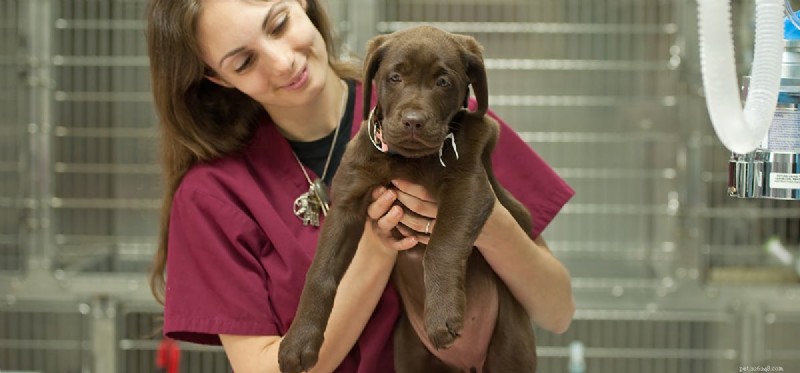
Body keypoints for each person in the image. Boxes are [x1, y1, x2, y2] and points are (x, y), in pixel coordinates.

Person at [145, 0, 576, 372]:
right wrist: (377, 246)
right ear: (217, 78)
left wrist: (489, 224)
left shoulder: (455, 127)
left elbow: (558, 310)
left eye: (278, 24)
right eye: (244, 62)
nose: (282, 62)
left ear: (303, 3)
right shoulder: (212, 196)